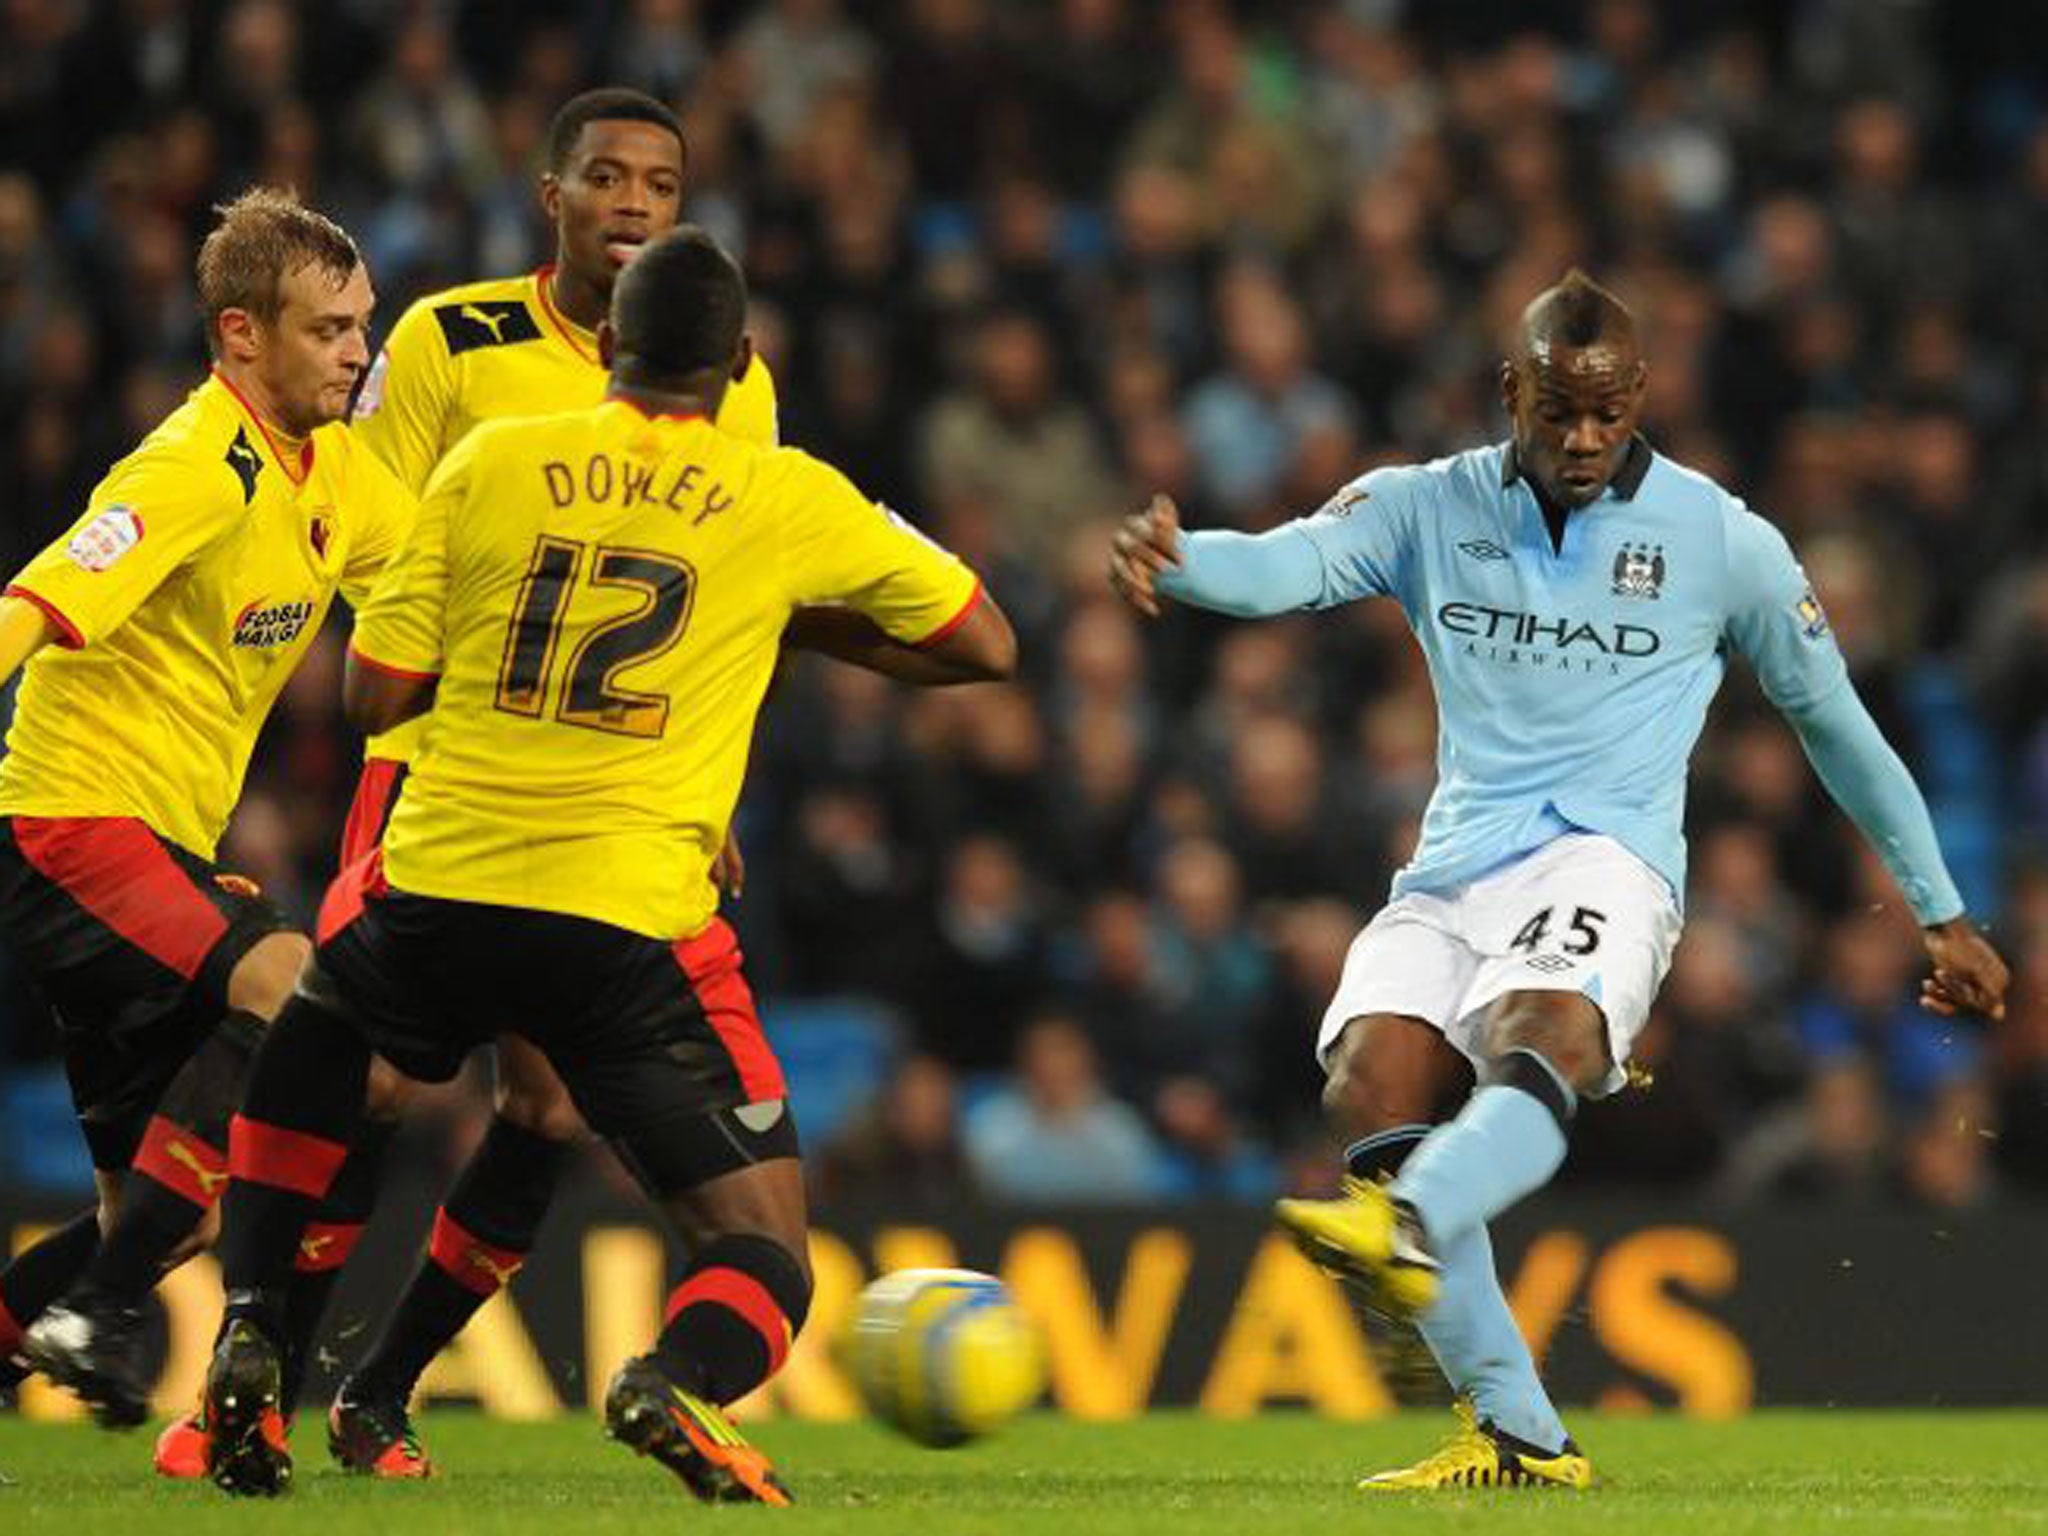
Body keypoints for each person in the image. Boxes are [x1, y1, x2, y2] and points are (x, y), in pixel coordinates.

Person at [1107, 269, 2009, 1491]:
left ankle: (1412, 1224)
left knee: (1547, 1031)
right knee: (1368, 1082)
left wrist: (1939, 909)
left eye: (1604, 414)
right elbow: (1288, 567)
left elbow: (1834, 724)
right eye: (1554, 412)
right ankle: (1523, 1437)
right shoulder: (1426, 506)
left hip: (1608, 856)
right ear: (1508, 393)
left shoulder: (1721, 539)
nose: (1580, 440)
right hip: (1453, 864)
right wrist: (1180, 560)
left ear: (1637, 397)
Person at [193, 225, 1015, 1500]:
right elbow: (983, 642)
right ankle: (674, 1379)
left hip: (445, 876)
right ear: (739, 360)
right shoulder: (784, 490)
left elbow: (373, 693)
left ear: (610, 351)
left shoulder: (492, 459)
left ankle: (254, 1319)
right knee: (761, 1245)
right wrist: (774, 629)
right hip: (625, 923)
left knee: (324, 1025)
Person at [151, 84, 783, 1486]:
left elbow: (734, 592)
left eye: (660, 186)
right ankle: (248, 1381)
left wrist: (709, 793)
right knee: (368, 1081)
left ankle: (376, 1392)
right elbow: (365, 532)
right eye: (607, 178)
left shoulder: (733, 378)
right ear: (547, 194)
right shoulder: (450, 341)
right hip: (440, 772)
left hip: (616, 807)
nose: (633, 203)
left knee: (548, 1109)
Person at [0, 190, 414, 1430]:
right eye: (328, 328)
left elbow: (433, 585)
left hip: (158, 844)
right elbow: (34, 602)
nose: (355, 351)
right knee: (296, 994)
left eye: (362, 326)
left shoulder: (334, 467)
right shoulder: (192, 468)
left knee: (176, 1213)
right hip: (69, 823)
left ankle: (64, 1306)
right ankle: (99, 1317)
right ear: (241, 337)